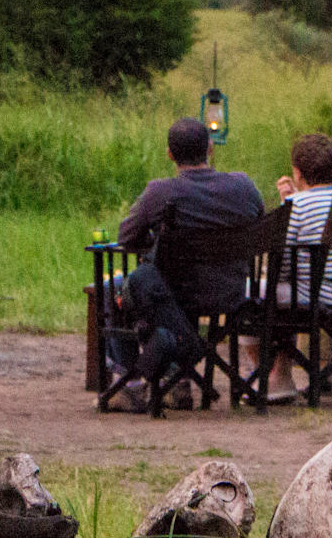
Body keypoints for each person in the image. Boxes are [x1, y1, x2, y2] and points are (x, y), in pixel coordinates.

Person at [110, 117, 265, 408]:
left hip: (174, 295)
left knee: (117, 288)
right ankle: (176, 381)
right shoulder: (244, 187)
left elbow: (126, 237)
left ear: (169, 153)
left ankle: (131, 384)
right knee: (147, 289)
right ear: (210, 148)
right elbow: (260, 226)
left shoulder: (160, 192)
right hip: (230, 292)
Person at [254, 133, 332, 401]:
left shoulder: (297, 205)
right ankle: (279, 377)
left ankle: (273, 378)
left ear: (297, 173)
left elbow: (282, 264)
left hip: (323, 298)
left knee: (252, 292)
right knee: (283, 295)